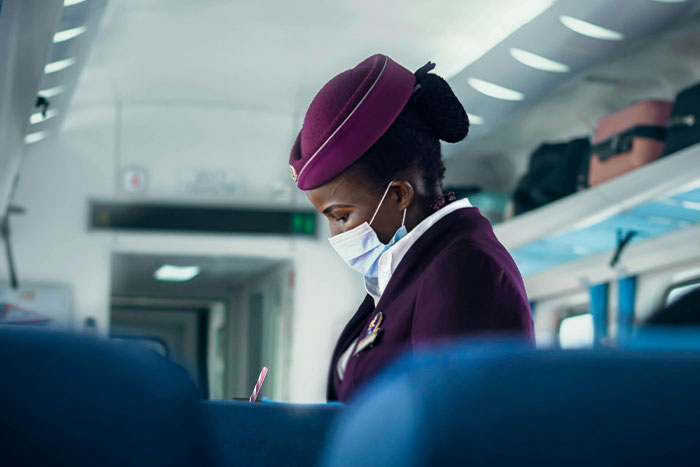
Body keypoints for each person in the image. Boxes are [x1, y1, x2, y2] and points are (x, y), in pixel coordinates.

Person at [288, 54, 534, 402]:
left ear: (400, 195)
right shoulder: (407, 272)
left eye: (341, 216)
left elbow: (459, 431)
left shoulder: (461, 270)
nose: (336, 235)